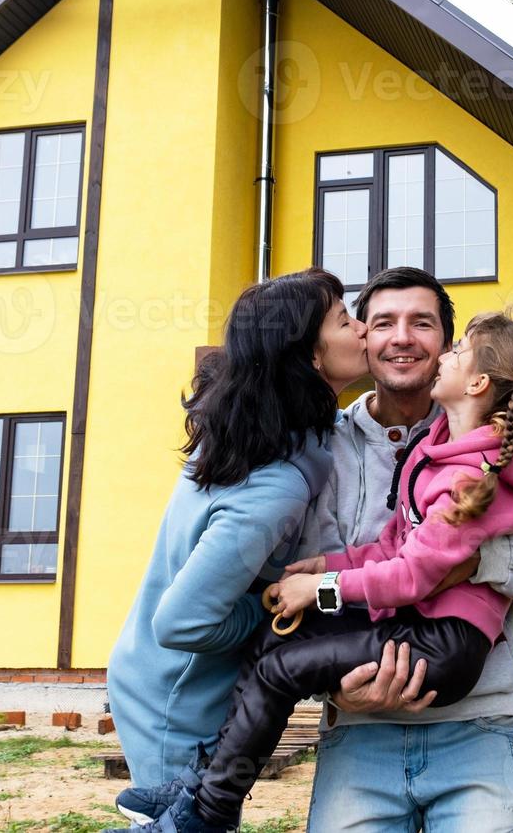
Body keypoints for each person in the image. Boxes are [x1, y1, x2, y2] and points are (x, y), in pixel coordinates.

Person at [128, 312, 513, 832]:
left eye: (452, 344)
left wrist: (322, 588)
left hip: (446, 647)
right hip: (412, 636)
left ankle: (210, 812)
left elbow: (413, 575)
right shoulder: (441, 449)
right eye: (374, 322)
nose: (428, 348)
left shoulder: (476, 473)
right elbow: (393, 545)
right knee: (271, 643)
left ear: (477, 381)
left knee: (279, 670)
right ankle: (204, 784)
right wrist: (328, 564)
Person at [105, 267, 367, 802]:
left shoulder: (272, 436)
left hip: (177, 684)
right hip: (174, 705)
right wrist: (271, 609)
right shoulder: (274, 484)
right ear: (311, 357)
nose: (363, 329)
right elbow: (182, 622)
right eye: (346, 320)